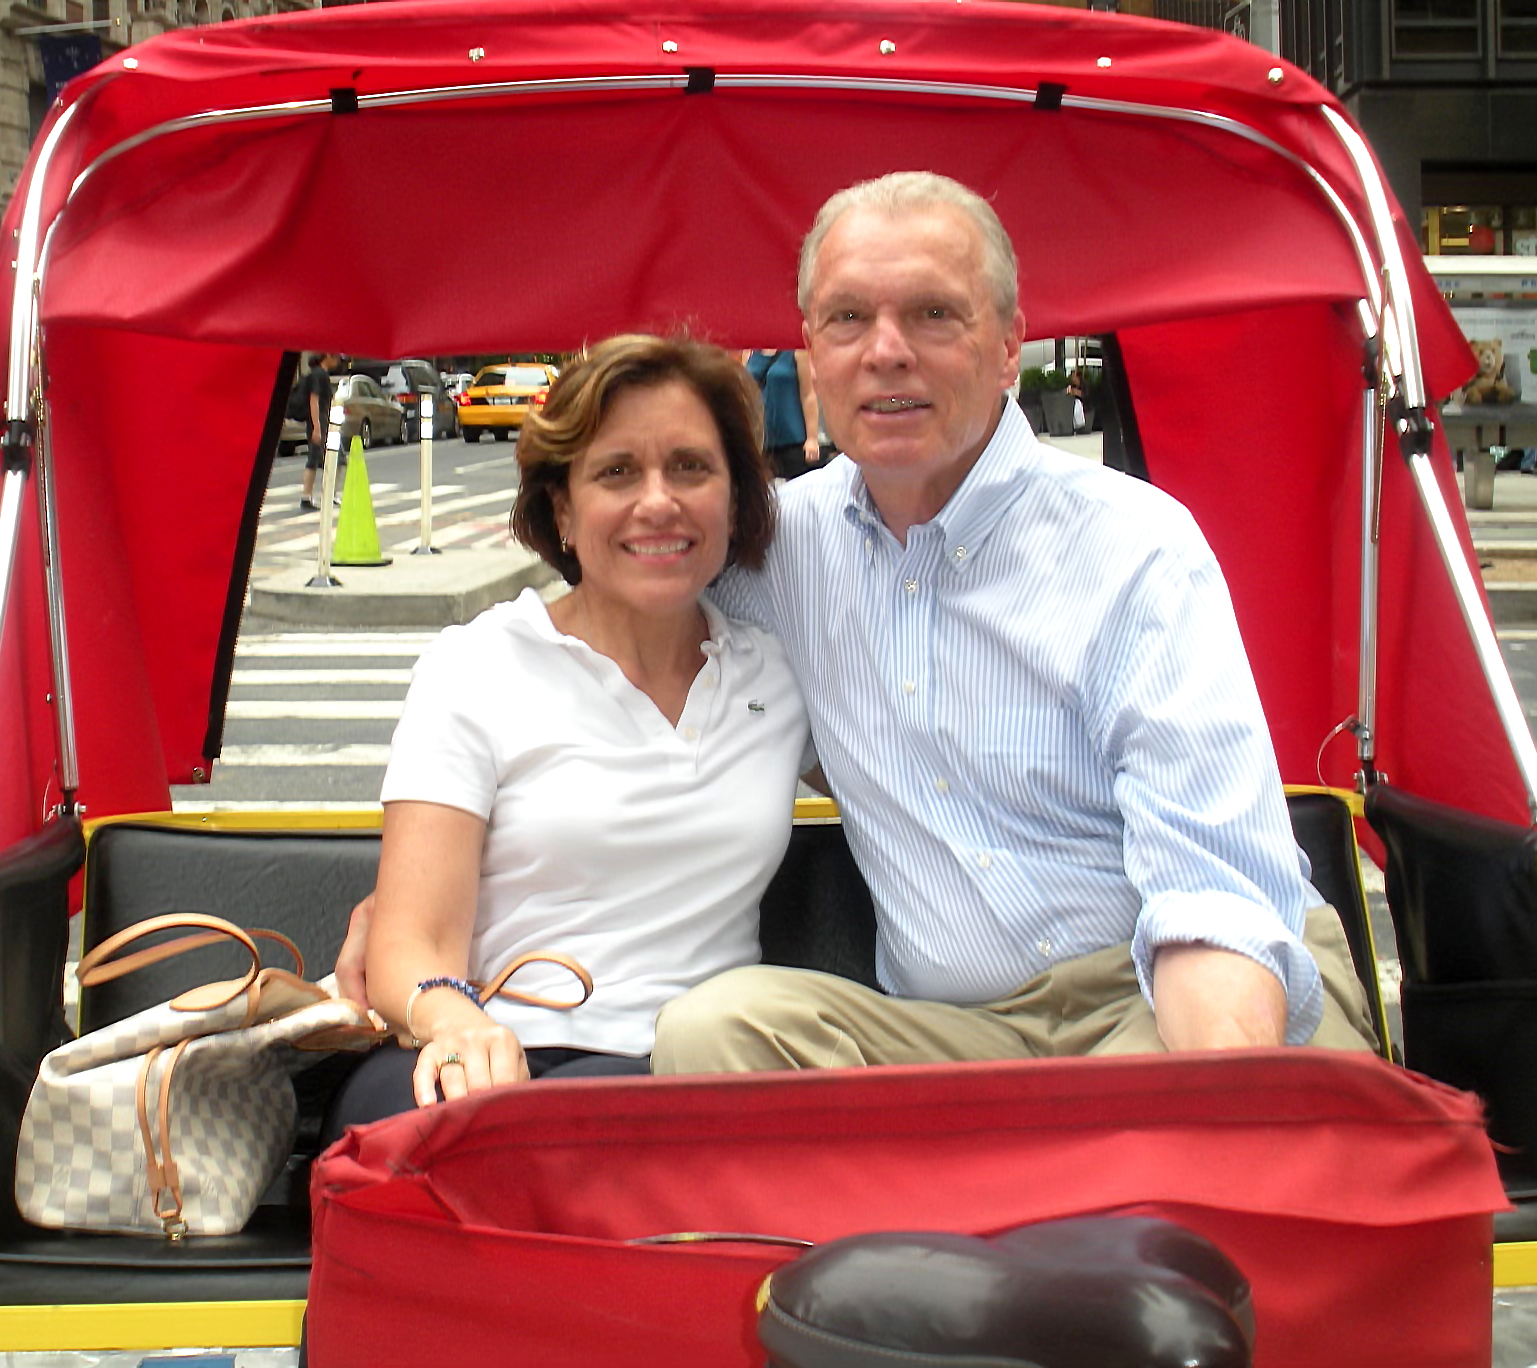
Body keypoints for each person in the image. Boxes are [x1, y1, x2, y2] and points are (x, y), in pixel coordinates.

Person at [650, 171, 1375, 1073]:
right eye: (847, 320)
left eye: (933, 315)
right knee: (713, 1033)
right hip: (948, 1031)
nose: (886, 352)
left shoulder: (1133, 546)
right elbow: (618, 623)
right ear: (810, 353)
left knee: (1159, 1135)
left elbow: (1211, 901)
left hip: (1157, 994)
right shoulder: (774, 549)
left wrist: (1211, 1102)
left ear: (1007, 348)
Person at [322, 335, 809, 1135]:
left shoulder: (777, 677)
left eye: (691, 467)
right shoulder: (477, 665)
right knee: (443, 1133)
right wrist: (456, 1023)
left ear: (735, 499)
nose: (660, 501)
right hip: (508, 1060)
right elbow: (410, 937)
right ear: (563, 510)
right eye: (617, 472)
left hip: (702, 1069)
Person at [745, 349, 821, 480]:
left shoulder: (797, 352)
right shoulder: (751, 353)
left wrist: (812, 438)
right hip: (762, 444)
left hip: (793, 441)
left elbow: (808, 395)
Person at [299, 352, 341, 512]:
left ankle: (319, 495)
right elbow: (314, 400)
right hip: (319, 423)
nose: (337, 362)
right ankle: (311, 496)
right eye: (336, 357)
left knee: (320, 457)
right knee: (331, 458)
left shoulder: (318, 374)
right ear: (328, 356)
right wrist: (317, 427)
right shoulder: (319, 375)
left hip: (321, 422)